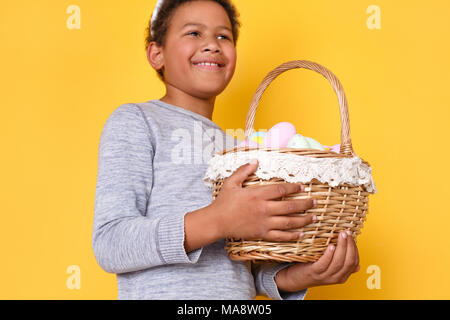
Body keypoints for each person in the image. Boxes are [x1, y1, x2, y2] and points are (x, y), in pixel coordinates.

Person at [92, 0, 360, 300]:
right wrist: (218, 220)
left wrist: (299, 276)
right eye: (194, 32)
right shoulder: (137, 121)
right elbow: (111, 242)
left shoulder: (241, 149)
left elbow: (242, 264)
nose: (212, 45)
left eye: (224, 36)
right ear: (157, 54)